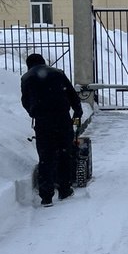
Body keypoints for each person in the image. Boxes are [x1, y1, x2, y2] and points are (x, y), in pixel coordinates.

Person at [21, 53, 83, 205]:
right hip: (62, 119)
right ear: (43, 62)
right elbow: (72, 94)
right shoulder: (58, 73)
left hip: (43, 122)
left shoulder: (26, 78)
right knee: (64, 154)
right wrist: (77, 110)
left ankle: (46, 196)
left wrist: (33, 111)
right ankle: (64, 190)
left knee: (46, 157)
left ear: (29, 65)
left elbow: (25, 100)